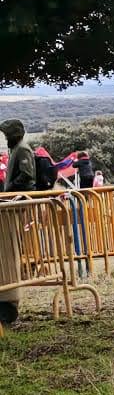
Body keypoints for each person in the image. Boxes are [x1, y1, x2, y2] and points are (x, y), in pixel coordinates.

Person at [0, 119, 38, 328]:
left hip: (18, 202)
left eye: (7, 134)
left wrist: (12, 190)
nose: (5, 137)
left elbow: (27, 175)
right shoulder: (16, 149)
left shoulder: (22, 149)